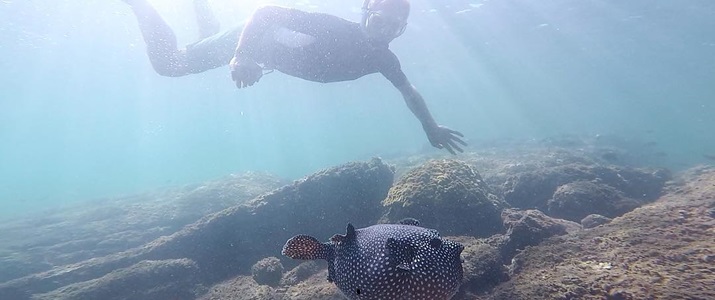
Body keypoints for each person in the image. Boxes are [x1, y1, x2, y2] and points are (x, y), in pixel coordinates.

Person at [122, 0, 466, 154]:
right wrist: (241, 54)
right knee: (171, 64)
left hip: (255, 51)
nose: (384, 33)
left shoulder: (384, 59)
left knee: (204, 43)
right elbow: (265, 11)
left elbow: (409, 92)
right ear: (365, 13)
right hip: (249, 40)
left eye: (395, 28)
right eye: (379, 22)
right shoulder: (334, 29)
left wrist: (430, 127)